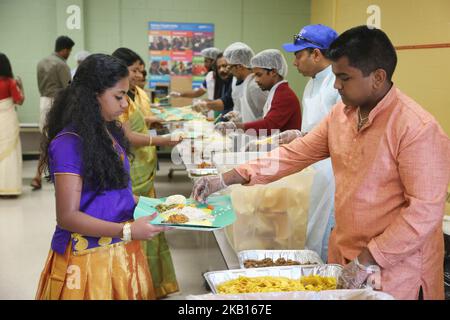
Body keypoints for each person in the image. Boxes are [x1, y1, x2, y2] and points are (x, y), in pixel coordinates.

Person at [192, 26, 450, 300]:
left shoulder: (416, 129)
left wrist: (368, 257)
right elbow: (295, 154)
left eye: (344, 77)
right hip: (347, 255)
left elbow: (423, 212)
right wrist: (228, 177)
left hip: (397, 268)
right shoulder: (342, 114)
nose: (336, 85)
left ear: (377, 78)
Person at [35, 54, 168, 300]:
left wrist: (154, 205)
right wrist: (127, 231)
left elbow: (113, 191)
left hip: (120, 250)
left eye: (126, 96)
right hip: (88, 260)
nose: (125, 104)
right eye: (119, 96)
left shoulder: (108, 131)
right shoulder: (69, 143)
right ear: (93, 95)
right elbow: (68, 217)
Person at [112, 47, 181, 299]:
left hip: (142, 169)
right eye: (134, 70)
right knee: (138, 229)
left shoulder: (130, 96)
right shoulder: (119, 102)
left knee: (151, 224)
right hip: (132, 171)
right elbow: (127, 136)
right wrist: (163, 140)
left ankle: (151, 283)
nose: (139, 74)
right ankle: (138, 286)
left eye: (141, 69)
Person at [278, 24, 340, 261]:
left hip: (333, 175)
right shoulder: (311, 83)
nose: (294, 63)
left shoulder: (337, 84)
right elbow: (313, 127)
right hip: (312, 171)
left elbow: (340, 135)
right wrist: (299, 135)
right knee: (310, 231)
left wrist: (303, 138)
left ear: (316, 54)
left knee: (325, 237)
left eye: (298, 55)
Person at [215, 49, 301, 136]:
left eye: (259, 75)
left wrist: (234, 127)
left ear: (273, 72)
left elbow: (269, 126)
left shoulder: (284, 95)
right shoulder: (275, 91)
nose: (256, 80)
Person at [32, 35, 75, 190]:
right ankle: (54, 175)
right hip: (57, 104)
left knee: (45, 139)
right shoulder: (62, 65)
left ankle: (38, 175)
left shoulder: (41, 63)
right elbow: (68, 89)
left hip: (43, 101)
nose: (69, 54)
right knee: (59, 140)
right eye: (69, 51)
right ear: (64, 50)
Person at [221, 42, 268, 123]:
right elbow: (246, 110)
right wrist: (236, 115)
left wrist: (243, 126)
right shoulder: (240, 81)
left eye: (230, 67)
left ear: (239, 66)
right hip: (247, 132)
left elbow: (265, 116)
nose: (229, 71)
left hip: (258, 133)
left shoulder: (255, 86)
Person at [0, 53, 25, 197]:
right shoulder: (10, 82)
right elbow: (19, 101)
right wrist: (21, 87)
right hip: (7, 118)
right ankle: (9, 188)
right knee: (10, 152)